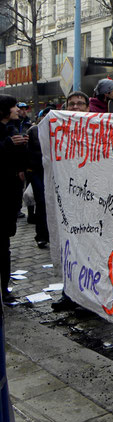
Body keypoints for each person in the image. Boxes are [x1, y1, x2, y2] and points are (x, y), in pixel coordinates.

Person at [50, 92, 90, 312]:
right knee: (68, 248)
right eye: (71, 104)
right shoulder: (57, 129)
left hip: (90, 201)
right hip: (66, 200)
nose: (75, 107)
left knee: (89, 250)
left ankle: (88, 296)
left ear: (87, 108)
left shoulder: (98, 128)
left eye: (80, 104)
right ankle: (69, 293)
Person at [0, 95, 28, 304]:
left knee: (5, 243)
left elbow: (19, 160)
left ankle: (4, 287)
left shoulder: (14, 127)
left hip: (10, 194)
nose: (17, 109)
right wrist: (8, 144)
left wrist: (23, 145)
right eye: (14, 106)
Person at [25, 105, 58, 249]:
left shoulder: (57, 131)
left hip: (52, 172)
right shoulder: (33, 131)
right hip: (36, 172)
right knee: (42, 202)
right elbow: (27, 153)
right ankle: (41, 236)